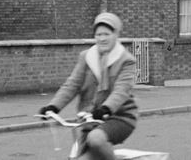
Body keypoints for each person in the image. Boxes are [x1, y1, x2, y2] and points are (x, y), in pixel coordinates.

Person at [39, 12, 137, 160]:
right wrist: (53, 107)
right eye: (98, 34)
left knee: (96, 139)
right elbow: (72, 84)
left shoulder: (126, 60)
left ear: (116, 34)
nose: (102, 38)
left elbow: (121, 90)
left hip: (119, 117)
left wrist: (106, 108)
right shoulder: (86, 57)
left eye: (106, 34)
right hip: (89, 120)